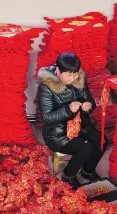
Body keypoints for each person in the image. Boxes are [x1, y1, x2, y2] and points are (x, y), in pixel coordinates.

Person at [37, 53, 108, 189]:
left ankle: (87, 170)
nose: (73, 78)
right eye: (69, 75)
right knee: (86, 147)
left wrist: (88, 106)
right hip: (58, 134)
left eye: (75, 74)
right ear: (58, 71)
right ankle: (68, 175)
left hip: (81, 126)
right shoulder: (46, 88)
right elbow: (47, 118)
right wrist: (68, 110)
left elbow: (90, 101)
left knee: (101, 141)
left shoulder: (79, 79)